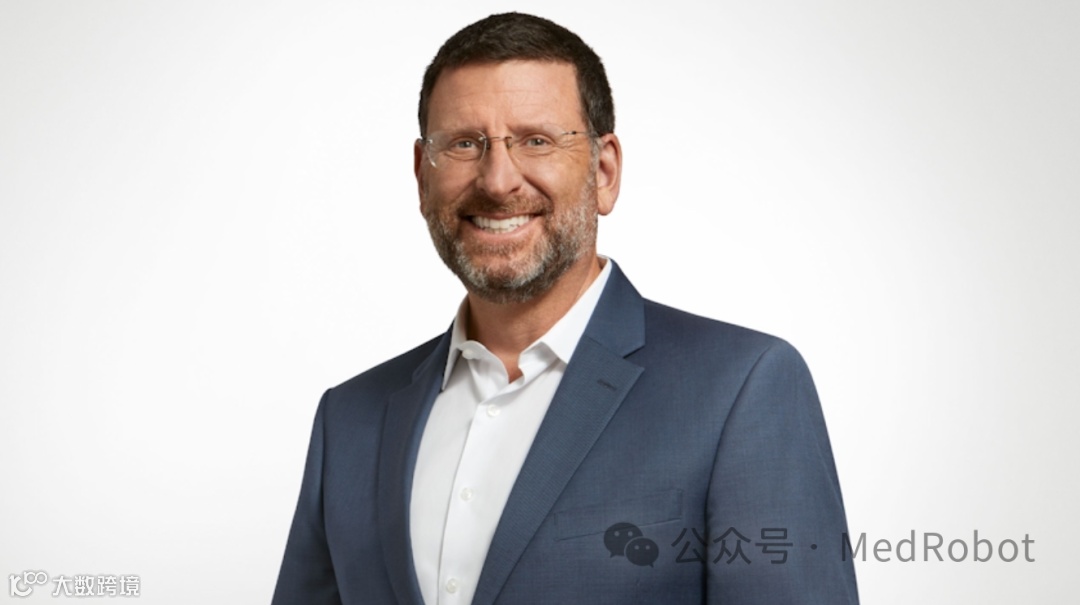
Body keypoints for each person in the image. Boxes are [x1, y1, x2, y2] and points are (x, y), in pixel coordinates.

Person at [272, 12, 859, 605]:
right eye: (465, 144)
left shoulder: (741, 389)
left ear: (604, 172)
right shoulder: (349, 419)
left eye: (536, 140)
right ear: (423, 177)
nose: (498, 181)